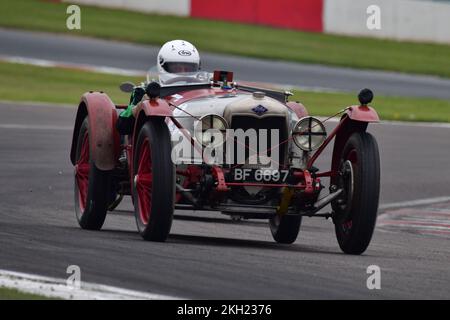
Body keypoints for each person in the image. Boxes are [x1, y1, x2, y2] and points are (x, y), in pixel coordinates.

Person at [116, 40, 201, 135]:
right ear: (162, 65)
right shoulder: (144, 92)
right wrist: (138, 108)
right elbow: (121, 126)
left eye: (188, 69)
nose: (183, 73)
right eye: (177, 68)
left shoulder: (203, 93)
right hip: (158, 140)